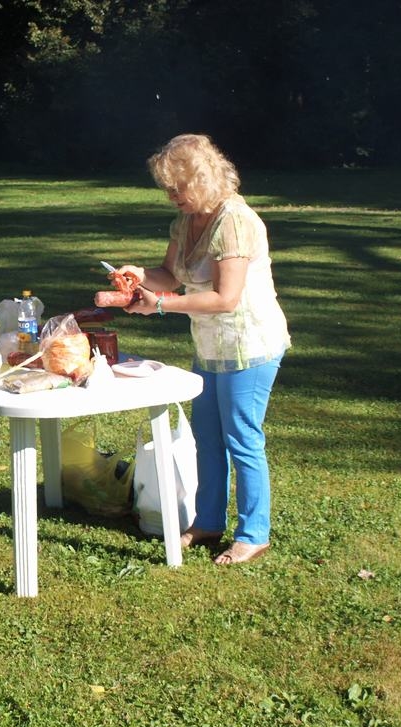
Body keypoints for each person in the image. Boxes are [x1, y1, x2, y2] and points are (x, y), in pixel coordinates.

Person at [116, 134, 291, 565]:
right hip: (211, 345)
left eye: (180, 187)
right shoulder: (186, 219)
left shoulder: (234, 220)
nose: (173, 196)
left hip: (250, 345)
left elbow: (224, 297)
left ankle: (253, 532)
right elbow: (170, 275)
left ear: (205, 179)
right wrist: (138, 276)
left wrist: (160, 306)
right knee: (207, 440)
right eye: (168, 189)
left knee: (242, 439)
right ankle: (209, 521)